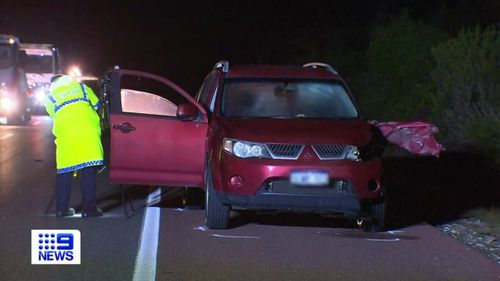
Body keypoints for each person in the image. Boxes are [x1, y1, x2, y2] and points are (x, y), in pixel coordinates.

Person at [45, 74, 104, 217]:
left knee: (64, 173)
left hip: (66, 135)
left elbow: (55, 115)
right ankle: (89, 210)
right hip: (87, 132)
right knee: (88, 170)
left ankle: (61, 209)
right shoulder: (82, 88)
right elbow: (97, 106)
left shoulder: (50, 98)